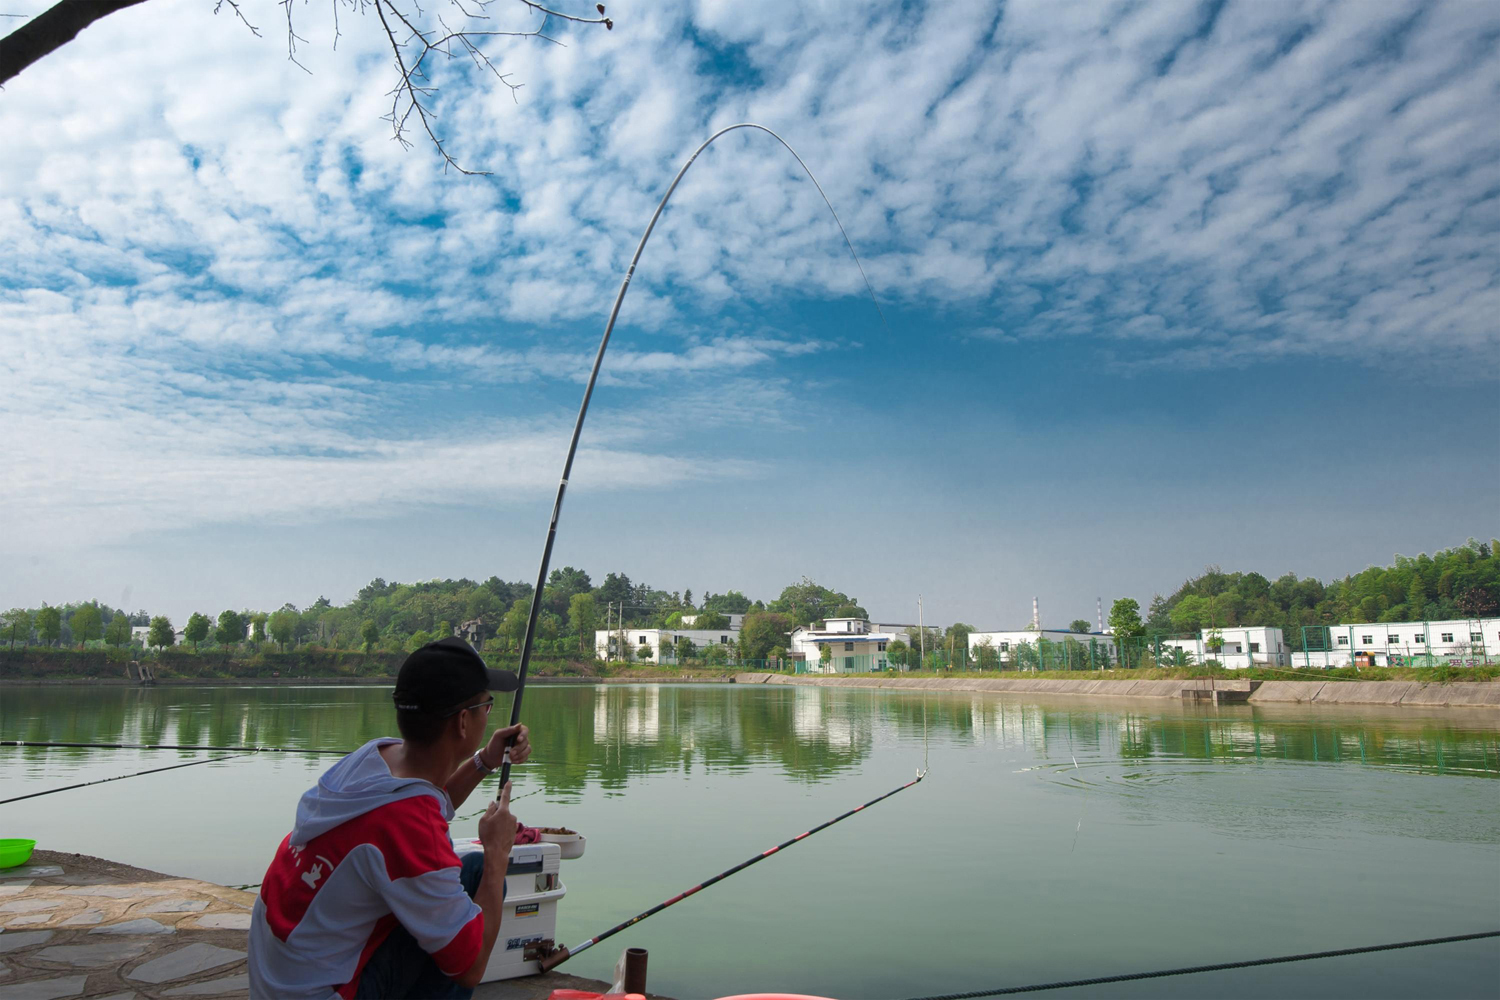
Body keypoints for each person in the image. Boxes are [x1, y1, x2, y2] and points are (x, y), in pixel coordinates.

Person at [248, 637, 532, 1000]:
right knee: (482, 878)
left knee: (469, 872)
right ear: (463, 721)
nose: (488, 714)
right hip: (319, 992)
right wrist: (498, 855)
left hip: (278, 975)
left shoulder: (374, 757)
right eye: (486, 706)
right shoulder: (407, 824)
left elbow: (430, 801)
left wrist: (485, 760)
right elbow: (470, 966)